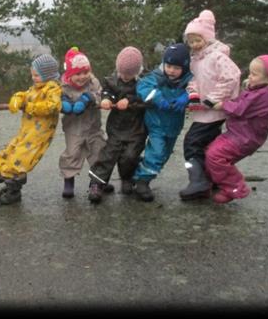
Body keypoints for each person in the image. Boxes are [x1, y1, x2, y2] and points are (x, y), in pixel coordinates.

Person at [0, 54, 62, 204]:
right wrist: (17, 98)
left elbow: (52, 106)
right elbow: (26, 94)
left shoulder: (52, 89)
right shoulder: (36, 88)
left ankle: (13, 191)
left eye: (37, 75)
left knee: (19, 160)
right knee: (7, 153)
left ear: (47, 75)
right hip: (26, 132)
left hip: (38, 136)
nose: (33, 78)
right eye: (32, 75)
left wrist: (29, 107)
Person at [205, 55, 268, 204]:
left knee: (215, 155)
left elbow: (239, 108)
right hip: (239, 134)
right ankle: (215, 181)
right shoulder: (260, 89)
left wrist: (221, 105)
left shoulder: (264, 95)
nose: (249, 76)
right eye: (250, 73)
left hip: (244, 138)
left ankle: (235, 187)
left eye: (254, 74)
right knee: (213, 153)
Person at [179, 10, 241, 201]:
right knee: (207, 146)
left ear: (207, 37)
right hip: (202, 110)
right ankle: (211, 178)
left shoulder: (217, 57)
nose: (194, 45)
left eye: (198, 40)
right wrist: (193, 94)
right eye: (190, 41)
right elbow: (194, 80)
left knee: (191, 143)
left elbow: (232, 77)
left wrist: (213, 99)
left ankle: (198, 181)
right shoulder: (196, 59)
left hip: (214, 111)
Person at [131, 43, 193, 202]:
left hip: (174, 125)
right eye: (169, 66)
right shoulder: (157, 76)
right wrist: (159, 99)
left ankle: (139, 170)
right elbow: (143, 87)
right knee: (157, 151)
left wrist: (187, 97)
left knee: (164, 154)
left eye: (176, 68)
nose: (171, 70)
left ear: (184, 68)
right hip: (156, 123)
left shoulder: (188, 80)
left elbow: (197, 89)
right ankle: (142, 182)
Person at [88, 46, 148, 203]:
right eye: (122, 73)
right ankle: (96, 184)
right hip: (116, 128)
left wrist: (130, 101)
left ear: (137, 71)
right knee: (108, 155)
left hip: (137, 130)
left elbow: (148, 98)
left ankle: (127, 178)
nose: (125, 77)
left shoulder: (144, 83)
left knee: (130, 156)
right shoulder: (112, 81)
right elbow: (107, 92)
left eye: (129, 74)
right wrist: (107, 100)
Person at [58, 47, 106, 198]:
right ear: (69, 74)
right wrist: (63, 104)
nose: (82, 76)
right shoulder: (63, 86)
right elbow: (55, 98)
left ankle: (96, 183)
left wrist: (88, 98)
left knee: (98, 153)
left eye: (85, 72)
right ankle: (68, 181)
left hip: (93, 127)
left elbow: (100, 95)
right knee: (71, 154)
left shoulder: (93, 82)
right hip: (74, 129)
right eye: (77, 74)